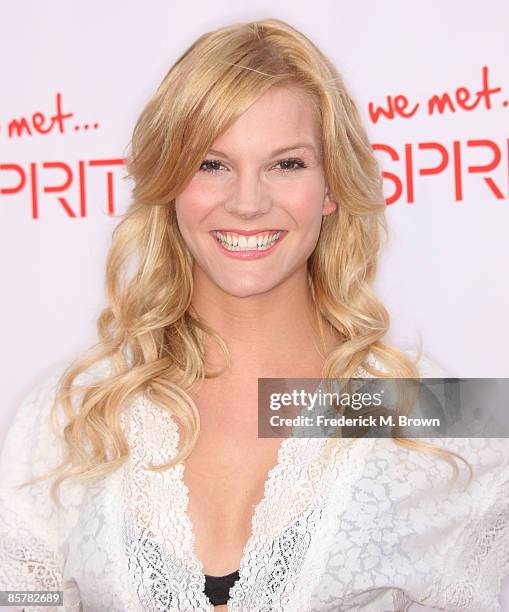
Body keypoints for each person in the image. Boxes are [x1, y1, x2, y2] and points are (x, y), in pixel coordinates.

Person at [0, 17, 507, 612]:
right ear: (169, 185)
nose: (247, 202)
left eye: (286, 164)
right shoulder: (75, 409)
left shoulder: (434, 414)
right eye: (212, 164)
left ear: (332, 186)